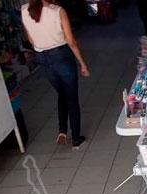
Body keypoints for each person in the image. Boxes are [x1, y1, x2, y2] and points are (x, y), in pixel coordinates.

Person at [22, 0, 90, 149]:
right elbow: (71, 42)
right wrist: (83, 64)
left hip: (43, 58)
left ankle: (62, 130)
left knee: (62, 93)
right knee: (71, 97)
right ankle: (76, 138)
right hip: (61, 56)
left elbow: (31, 40)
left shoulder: (24, 10)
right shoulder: (58, 11)